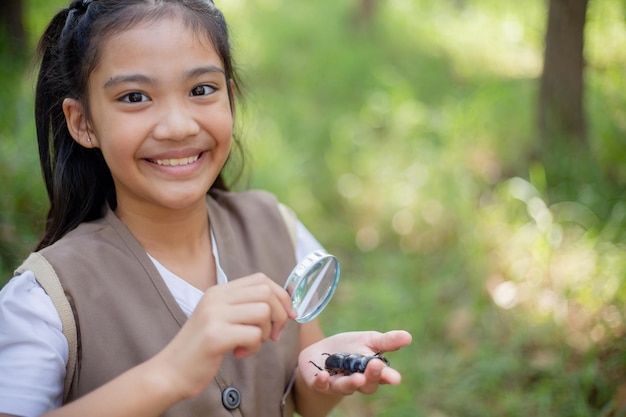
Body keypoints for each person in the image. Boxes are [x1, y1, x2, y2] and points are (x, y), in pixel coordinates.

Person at [0, 0, 412, 416]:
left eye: (201, 90)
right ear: (82, 123)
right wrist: (170, 373)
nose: (179, 126)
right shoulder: (44, 300)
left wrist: (324, 374)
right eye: (135, 96)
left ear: (229, 98)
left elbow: (304, 398)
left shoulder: (275, 227)